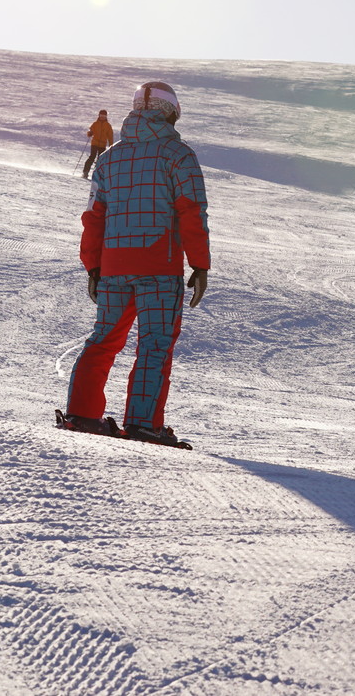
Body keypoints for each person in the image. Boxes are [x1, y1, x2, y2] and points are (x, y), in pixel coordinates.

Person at [60, 82, 210, 446]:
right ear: (171, 112)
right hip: (160, 265)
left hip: (113, 267)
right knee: (154, 344)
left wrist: (93, 267)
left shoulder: (110, 158)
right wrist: (200, 265)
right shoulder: (178, 154)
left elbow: (95, 215)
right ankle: (143, 423)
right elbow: (191, 211)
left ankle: (82, 413)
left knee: (104, 338)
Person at [81, 110, 113, 179]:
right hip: (95, 143)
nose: (102, 117)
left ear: (106, 117)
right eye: (101, 116)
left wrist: (111, 145)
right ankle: (85, 172)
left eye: (104, 116)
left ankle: (98, 175)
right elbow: (90, 131)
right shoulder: (95, 124)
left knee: (100, 160)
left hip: (102, 145)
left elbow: (110, 137)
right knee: (92, 157)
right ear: (99, 115)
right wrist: (90, 133)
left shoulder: (108, 126)